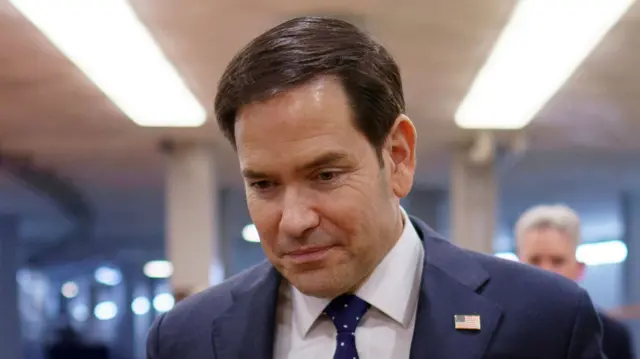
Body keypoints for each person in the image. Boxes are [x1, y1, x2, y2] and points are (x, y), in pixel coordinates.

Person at [147, 17, 605, 359]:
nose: (294, 220)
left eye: (325, 175)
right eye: (264, 184)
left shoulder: (545, 322)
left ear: (398, 156)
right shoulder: (185, 338)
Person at [516, 204, 635, 359]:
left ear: (579, 269)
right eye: (535, 260)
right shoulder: (495, 327)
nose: (545, 272)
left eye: (557, 261)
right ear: (516, 265)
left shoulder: (611, 336)